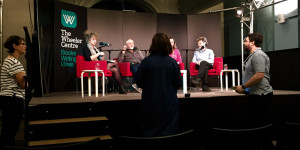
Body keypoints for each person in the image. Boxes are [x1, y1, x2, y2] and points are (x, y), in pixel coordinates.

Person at [135, 33, 182, 137]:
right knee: (169, 137)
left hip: (149, 104)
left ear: (153, 45)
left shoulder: (146, 62)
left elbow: (138, 82)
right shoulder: (173, 63)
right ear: (167, 45)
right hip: (169, 106)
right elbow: (179, 83)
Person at [234, 33, 273, 127]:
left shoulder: (258, 55)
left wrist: (243, 87)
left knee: (258, 124)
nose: (243, 43)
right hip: (255, 94)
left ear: (252, 43)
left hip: (260, 95)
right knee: (255, 122)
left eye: (245, 41)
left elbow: (259, 75)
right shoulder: (254, 55)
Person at [0, 35, 27, 148]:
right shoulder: (13, 62)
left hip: (8, 99)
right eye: (22, 43)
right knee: (10, 131)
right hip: (13, 99)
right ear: (15, 46)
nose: (25, 46)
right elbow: (23, 84)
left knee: (7, 130)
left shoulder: (9, 60)